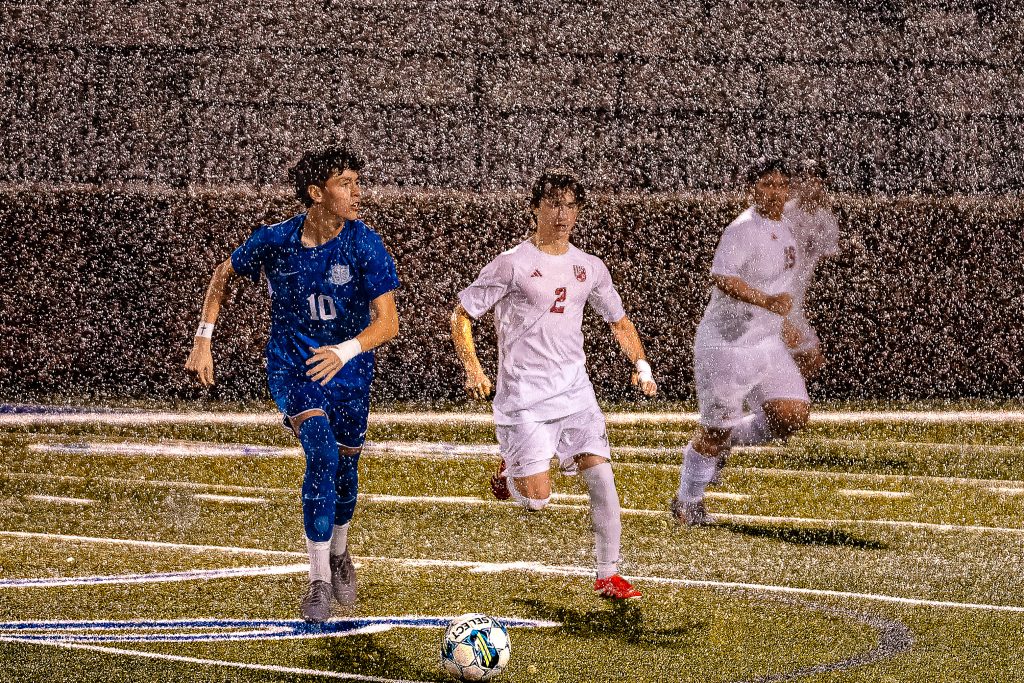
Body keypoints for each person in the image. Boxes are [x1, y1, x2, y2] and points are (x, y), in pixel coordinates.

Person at [184, 147, 400, 622]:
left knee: (345, 469)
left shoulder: (365, 244)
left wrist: (344, 351)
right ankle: (319, 580)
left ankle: (340, 552)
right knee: (321, 454)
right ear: (316, 193)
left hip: (349, 372)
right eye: (346, 183)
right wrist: (204, 339)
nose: (358, 191)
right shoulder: (275, 240)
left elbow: (388, 324)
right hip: (295, 368)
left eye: (357, 181)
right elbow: (224, 273)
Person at [451, 169, 657, 600]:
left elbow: (618, 321)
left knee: (601, 476)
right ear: (535, 208)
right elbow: (462, 315)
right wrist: (473, 366)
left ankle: (608, 574)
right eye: (552, 204)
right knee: (538, 500)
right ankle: (511, 476)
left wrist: (641, 364)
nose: (561, 213)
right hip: (524, 397)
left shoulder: (590, 267)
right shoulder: (512, 264)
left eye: (569, 205)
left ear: (578, 211)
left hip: (576, 392)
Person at [672, 158, 809, 526]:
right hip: (727, 344)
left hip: (766, 341)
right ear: (752, 188)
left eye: (782, 185)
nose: (775, 192)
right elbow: (723, 276)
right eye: (767, 184)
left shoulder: (786, 227)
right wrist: (766, 303)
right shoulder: (742, 229)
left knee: (791, 415)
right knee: (713, 430)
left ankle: (728, 438)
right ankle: (688, 501)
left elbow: (781, 286)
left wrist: (785, 324)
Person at [726, 158, 839, 450]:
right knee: (801, 360)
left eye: (817, 178)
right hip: (773, 306)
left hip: (793, 302)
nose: (810, 184)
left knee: (809, 359)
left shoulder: (825, 218)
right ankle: (750, 413)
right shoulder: (785, 216)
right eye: (806, 177)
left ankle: (764, 412)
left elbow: (822, 262)